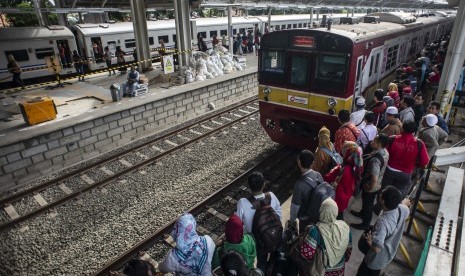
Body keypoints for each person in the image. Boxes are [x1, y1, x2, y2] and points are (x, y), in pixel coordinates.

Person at [289, 198, 352, 276]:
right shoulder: (345, 227)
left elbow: (306, 254)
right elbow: (348, 252)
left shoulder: (315, 231)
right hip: (339, 270)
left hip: (321, 271)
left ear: (321, 211)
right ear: (336, 211)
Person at [356, 186, 410, 276]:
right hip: (389, 251)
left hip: (375, 260)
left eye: (382, 194)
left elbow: (376, 249)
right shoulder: (402, 209)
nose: (380, 194)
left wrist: (370, 242)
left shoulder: (382, 223)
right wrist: (403, 204)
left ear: (383, 201)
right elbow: (406, 212)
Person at [236, 171, 282, 271]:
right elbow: (279, 215)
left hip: (257, 240)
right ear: (264, 184)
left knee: (261, 262)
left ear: (249, 186)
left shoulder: (243, 203)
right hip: (275, 235)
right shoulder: (271, 196)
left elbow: (237, 224)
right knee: (276, 258)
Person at [377, 121, 429, 199]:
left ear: (403, 129)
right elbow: (425, 162)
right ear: (414, 131)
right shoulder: (419, 143)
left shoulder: (392, 139)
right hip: (406, 174)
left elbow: (384, 154)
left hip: (389, 170)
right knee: (398, 195)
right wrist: (416, 165)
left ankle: (379, 209)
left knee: (384, 192)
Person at [351, 134, 389, 230]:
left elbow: (374, 178)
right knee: (366, 203)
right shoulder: (385, 152)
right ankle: (362, 213)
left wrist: (369, 188)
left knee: (368, 205)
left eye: (374, 141)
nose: (372, 142)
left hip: (371, 186)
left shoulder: (375, 159)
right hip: (378, 183)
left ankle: (365, 223)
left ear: (379, 143)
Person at [324, 141, 363, 220]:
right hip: (346, 196)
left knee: (333, 215)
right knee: (340, 213)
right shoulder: (358, 169)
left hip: (337, 197)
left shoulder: (341, 168)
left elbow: (328, 177)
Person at [290, 150, 324, 233]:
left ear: (299, 163)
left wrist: (292, 221)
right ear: (312, 163)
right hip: (317, 213)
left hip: (305, 219)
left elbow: (295, 207)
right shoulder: (317, 175)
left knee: (304, 236)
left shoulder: (299, 185)